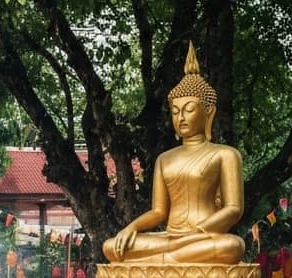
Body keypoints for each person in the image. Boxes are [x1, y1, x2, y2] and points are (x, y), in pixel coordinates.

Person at [103, 45, 246, 264]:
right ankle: (169, 258)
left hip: (203, 236)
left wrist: (198, 232)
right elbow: (159, 212)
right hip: (171, 239)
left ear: (208, 112)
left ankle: (161, 261)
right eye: (175, 111)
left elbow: (233, 209)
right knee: (111, 247)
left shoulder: (225, 155)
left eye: (189, 109)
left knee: (232, 246)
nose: (181, 117)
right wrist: (132, 227)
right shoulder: (165, 158)